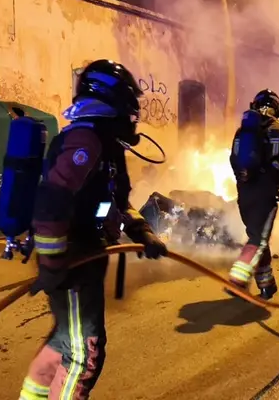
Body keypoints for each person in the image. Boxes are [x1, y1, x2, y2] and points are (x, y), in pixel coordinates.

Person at [19, 59, 168, 400]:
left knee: (63, 342)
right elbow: (52, 202)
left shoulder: (107, 145)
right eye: (130, 104)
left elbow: (117, 200)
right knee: (84, 355)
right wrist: (54, 264)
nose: (134, 114)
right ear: (113, 102)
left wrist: (142, 231)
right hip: (72, 260)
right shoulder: (85, 141)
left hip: (84, 256)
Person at [227, 89, 279, 300]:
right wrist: (277, 175)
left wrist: (247, 180)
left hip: (244, 196)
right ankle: (238, 279)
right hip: (265, 196)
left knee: (257, 238)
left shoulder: (242, 132)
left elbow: (233, 160)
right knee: (258, 240)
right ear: (277, 109)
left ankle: (267, 286)